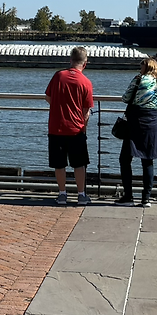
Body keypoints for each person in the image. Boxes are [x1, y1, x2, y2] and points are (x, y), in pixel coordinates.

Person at [44, 46, 94, 206]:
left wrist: (59, 106)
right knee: (79, 164)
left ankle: (62, 194)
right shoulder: (86, 82)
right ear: (85, 63)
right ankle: (81, 195)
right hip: (76, 129)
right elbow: (86, 110)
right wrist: (84, 127)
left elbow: (48, 97)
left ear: (70, 60)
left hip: (56, 127)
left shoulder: (58, 76)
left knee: (59, 164)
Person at [117, 57, 157, 207]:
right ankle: (146, 198)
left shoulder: (139, 80)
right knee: (147, 160)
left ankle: (128, 196)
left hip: (135, 122)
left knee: (125, 159)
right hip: (152, 123)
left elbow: (125, 98)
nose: (140, 70)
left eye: (141, 67)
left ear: (146, 68)